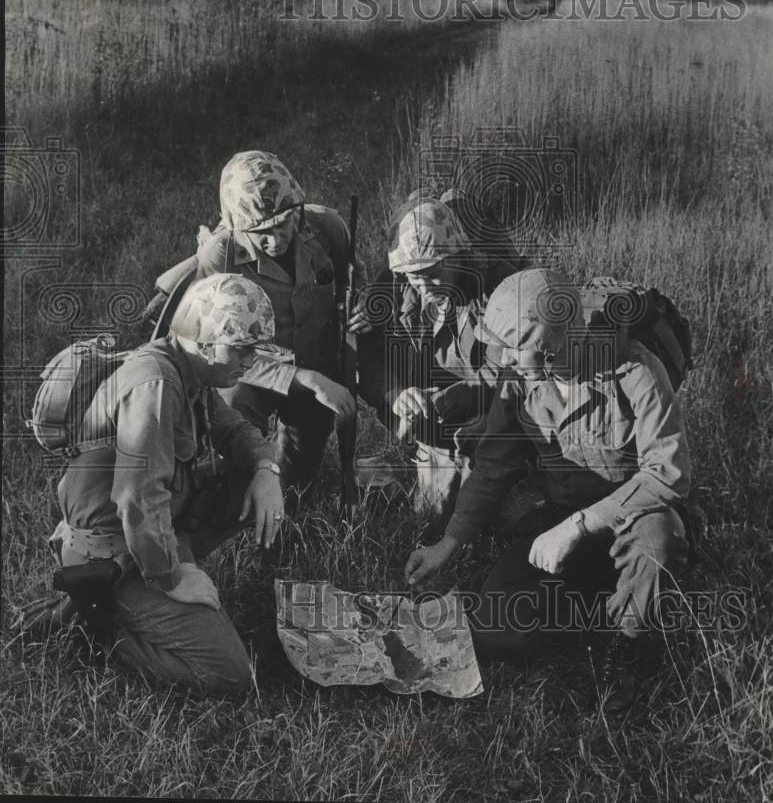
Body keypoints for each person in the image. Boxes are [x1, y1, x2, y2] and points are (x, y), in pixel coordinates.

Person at [404, 268, 692, 713]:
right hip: (560, 516)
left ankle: (630, 643)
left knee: (659, 542)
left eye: (513, 348)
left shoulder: (636, 371)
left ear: (553, 345)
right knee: (496, 629)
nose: (502, 358)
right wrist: (448, 543)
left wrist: (578, 527)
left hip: (632, 517)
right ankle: (599, 600)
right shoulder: (519, 381)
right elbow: (493, 468)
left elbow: (667, 474)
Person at [44, 274, 289, 695]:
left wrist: (267, 471)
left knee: (247, 475)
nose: (250, 362)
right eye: (241, 349)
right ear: (204, 342)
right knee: (230, 675)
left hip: (154, 531)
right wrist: (175, 578)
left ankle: (149, 584)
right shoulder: (154, 384)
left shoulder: (187, 371)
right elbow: (137, 499)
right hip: (115, 550)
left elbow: (234, 430)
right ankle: (100, 628)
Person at [194, 151, 355, 492]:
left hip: (315, 365)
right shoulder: (220, 257)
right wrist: (300, 377)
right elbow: (214, 348)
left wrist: (365, 307)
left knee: (298, 482)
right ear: (236, 227)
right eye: (260, 232)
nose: (275, 239)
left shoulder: (328, 229)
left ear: (297, 208)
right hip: (250, 371)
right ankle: (238, 487)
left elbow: (351, 287)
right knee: (235, 429)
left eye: (283, 224)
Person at [351, 196, 520, 523]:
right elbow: (368, 357)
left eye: (433, 272)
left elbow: (505, 371)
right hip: (425, 413)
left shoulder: (498, 285)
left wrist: (442, 400)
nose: (424, 285)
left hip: (485, 410)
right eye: (415, 276)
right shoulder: (395, 284)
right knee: (432, 517)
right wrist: (395, 393)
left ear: (456, 255)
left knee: (485, 516)